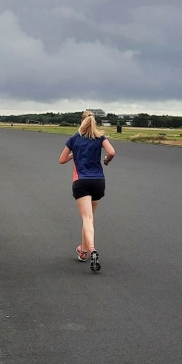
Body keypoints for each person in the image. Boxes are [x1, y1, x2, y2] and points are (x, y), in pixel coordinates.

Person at [58, 110, 115, 272]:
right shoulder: (100, 138)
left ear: (81, 122)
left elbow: (61, 160)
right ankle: (83, 251)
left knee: (86, 218)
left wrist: (73, 154)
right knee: (89, 218)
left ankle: (92, 250)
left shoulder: (74, 139)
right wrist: (106, 160)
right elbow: (111, 152)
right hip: (98, 180)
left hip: (81, 180)